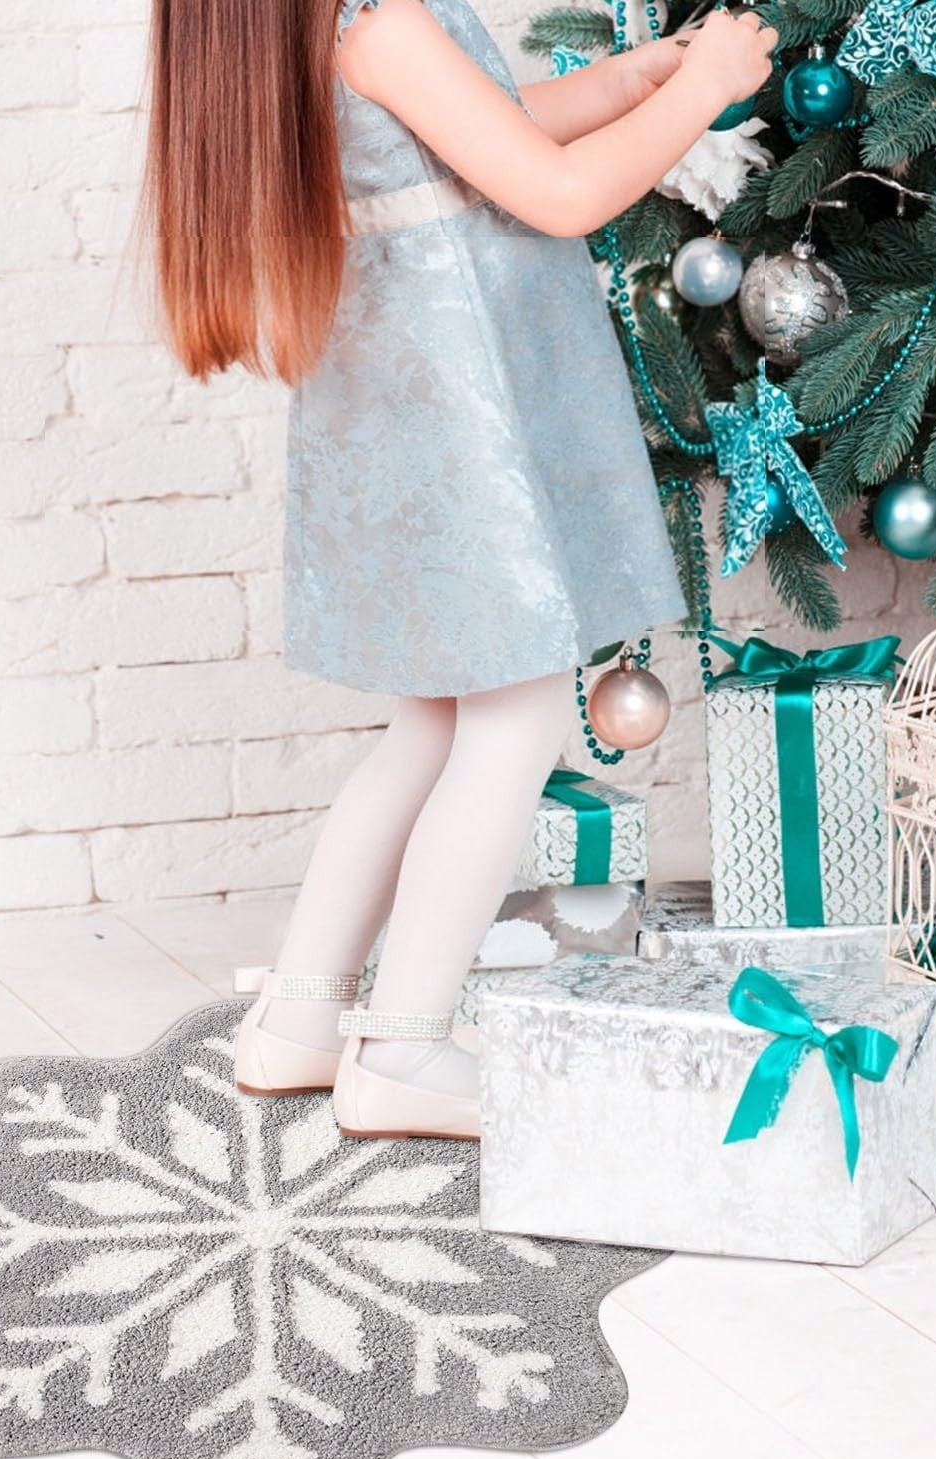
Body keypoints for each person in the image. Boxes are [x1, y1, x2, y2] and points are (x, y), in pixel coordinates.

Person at [144, 0, 776, 1140]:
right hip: (459, 418)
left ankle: (299, 1020)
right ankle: (404, 1047)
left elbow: (477, 126)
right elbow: (560, 195)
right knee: (512, 724)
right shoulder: (375, 22)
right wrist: (704, 88)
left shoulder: (326, 31)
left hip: (404, 409)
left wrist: (629, 81)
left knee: (430, 729)